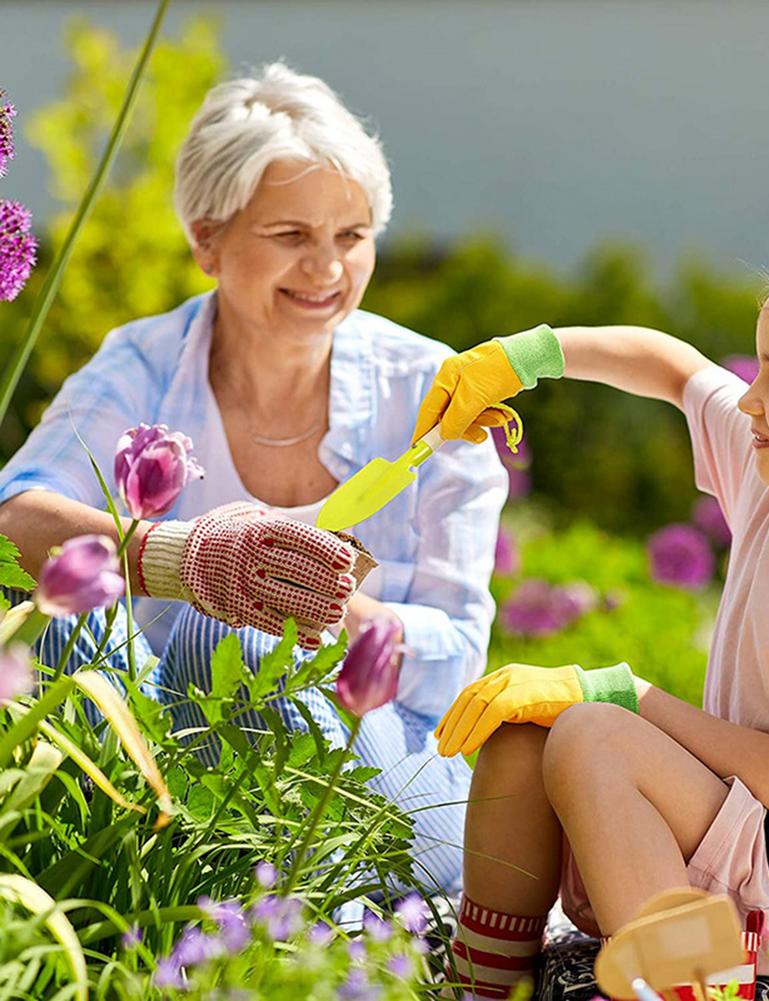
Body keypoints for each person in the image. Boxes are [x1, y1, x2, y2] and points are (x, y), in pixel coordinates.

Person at [413, 247, 769, 995]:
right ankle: (485, 982)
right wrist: (518, 358)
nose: (751, 398)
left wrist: (621, 693)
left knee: (591, 727)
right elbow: (669, 365)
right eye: (760, 370)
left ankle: (692, 981)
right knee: (527, 729)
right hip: (754, 832)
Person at [0, 62, 507, 896]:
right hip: (168, 769)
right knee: (62, 617)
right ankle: (123, 882)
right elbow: (14, 519)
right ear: (207, 239)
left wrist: (335, 609)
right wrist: (186, 558)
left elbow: (460, 664)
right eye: (290, 235)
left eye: (352, 235)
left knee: (232, 637)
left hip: (393, 778)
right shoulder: (144, 360)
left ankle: (317, 918)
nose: (327, 270)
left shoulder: (434, 391)